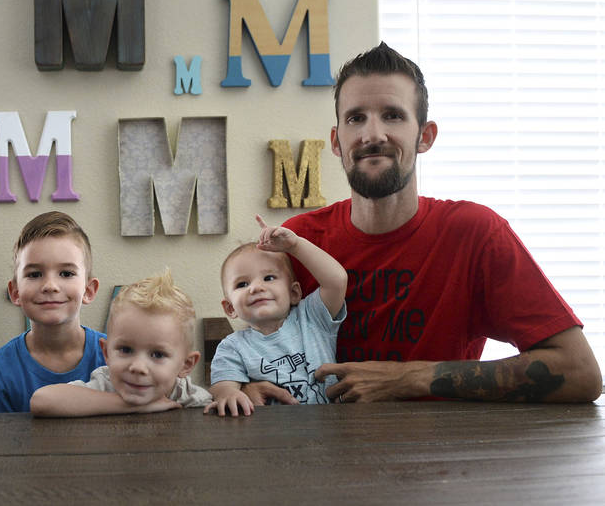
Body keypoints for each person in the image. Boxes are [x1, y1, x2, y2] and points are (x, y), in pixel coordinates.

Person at [256, 42, 601, 404]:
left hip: (446, 455)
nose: (372, 135)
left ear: (425, 136)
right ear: (337, 141)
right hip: (321, 455)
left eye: (393, 115)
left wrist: (410, 377)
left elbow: (581, 373)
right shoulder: (298, 241)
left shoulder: (475, 233)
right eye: (356, 118)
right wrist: (245, 387)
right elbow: (256, 355)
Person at [206, 215, 347, 416]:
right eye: (242, 284)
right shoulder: (233, 347)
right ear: (230, 308)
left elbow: (337, 280)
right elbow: (222, 387)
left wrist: (295, 246)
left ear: (294, 293)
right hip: (268, 437)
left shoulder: (312, 318)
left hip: (329, 429)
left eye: (269, 277)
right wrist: (228, 393)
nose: (256, 287)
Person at [30, 270, 211, 417]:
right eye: (125, 350)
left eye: (157, 354)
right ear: (107, 353)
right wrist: (132, 406)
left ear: (186, 364)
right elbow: (41, 401)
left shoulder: (189, 397)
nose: (138, 367)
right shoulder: (105, 384)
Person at [0, 211, 103, 413]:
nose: (50, 286)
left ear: (88, 291)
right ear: (16, 292)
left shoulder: (116, 357)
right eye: (35, 274)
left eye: (66, 273)